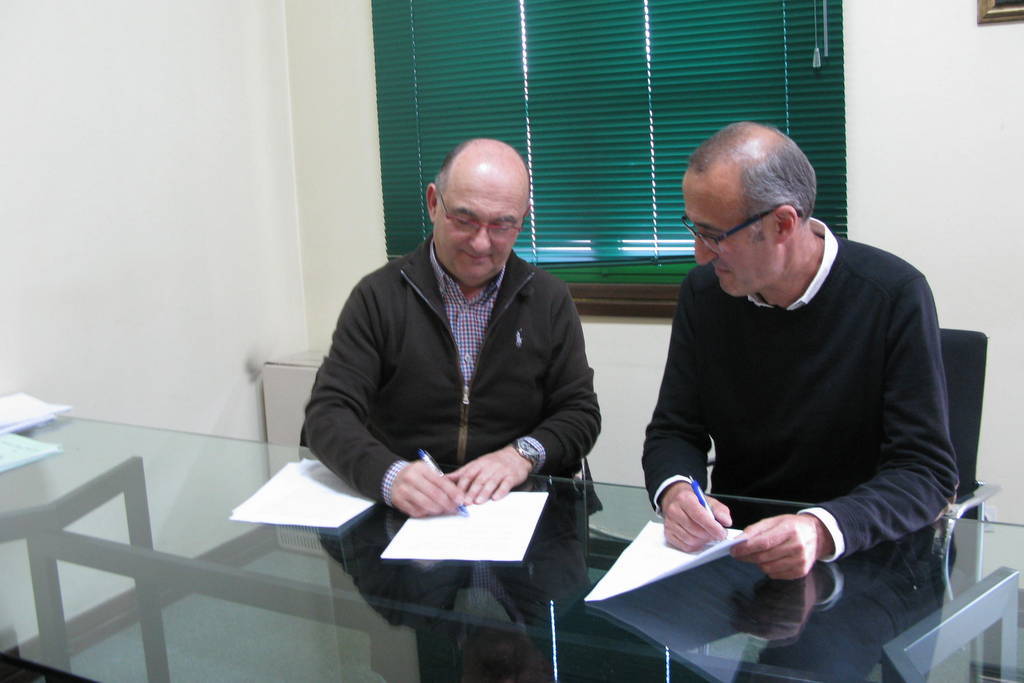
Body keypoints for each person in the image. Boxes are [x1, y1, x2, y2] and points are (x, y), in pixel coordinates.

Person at [642, 122, 957, 579]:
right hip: (737, 545)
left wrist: (819, 528)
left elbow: (925, 471)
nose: (700, 254)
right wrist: (676, 491)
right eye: (694, 228)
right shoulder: (704, 293)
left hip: (861, 548)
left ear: (783, 223)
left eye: (714, 235)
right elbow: (674, 429)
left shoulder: (892, 294)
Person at [304, 138, 600, 518]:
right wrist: (389, 475)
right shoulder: (378, 297)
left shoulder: (548, 299)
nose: (481, 243)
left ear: (522, 220)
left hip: (514, 508)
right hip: (408, 510)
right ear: (433, 203)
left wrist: (521, 455)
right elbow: (328, 412)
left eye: (502, 225)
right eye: (464, 220)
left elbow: (579, 412)